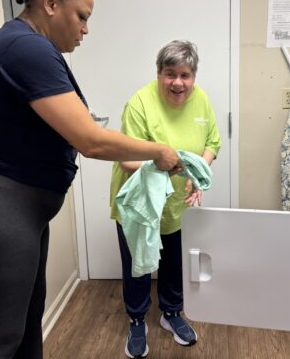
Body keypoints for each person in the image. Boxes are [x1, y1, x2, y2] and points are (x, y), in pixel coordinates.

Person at [0, 0, 181, 359]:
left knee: (26, 326)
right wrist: (159, 151)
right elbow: (90, 141)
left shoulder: (30, 44)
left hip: (16, 207)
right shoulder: (25, 47)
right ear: (50, 3)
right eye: (82, 16)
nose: (85, 29)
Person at [109, 40, 221, 358]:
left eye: (185, 75)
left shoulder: (201, 101)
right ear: (159, 74)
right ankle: (136, 319)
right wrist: (168, 164)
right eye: (170, 74)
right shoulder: (140, 104)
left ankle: (171, 312)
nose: (178, 83)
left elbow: (212, 142)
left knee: (174, 260)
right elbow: (126, 159)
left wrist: (199, 174)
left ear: (193, 77)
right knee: (137, 263)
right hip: (140, 203)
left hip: (176, 201)